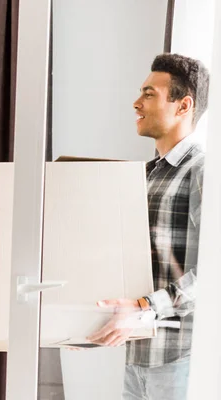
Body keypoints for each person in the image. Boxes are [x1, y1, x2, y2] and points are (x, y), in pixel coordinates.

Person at [87, 54, 210, 400]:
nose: (136, 103)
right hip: (138, 356)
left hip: (181, 360)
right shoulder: (143, 174)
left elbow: (212, 272)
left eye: (149, 94)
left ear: (183, 105)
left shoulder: (202, 171)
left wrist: (144, 306)